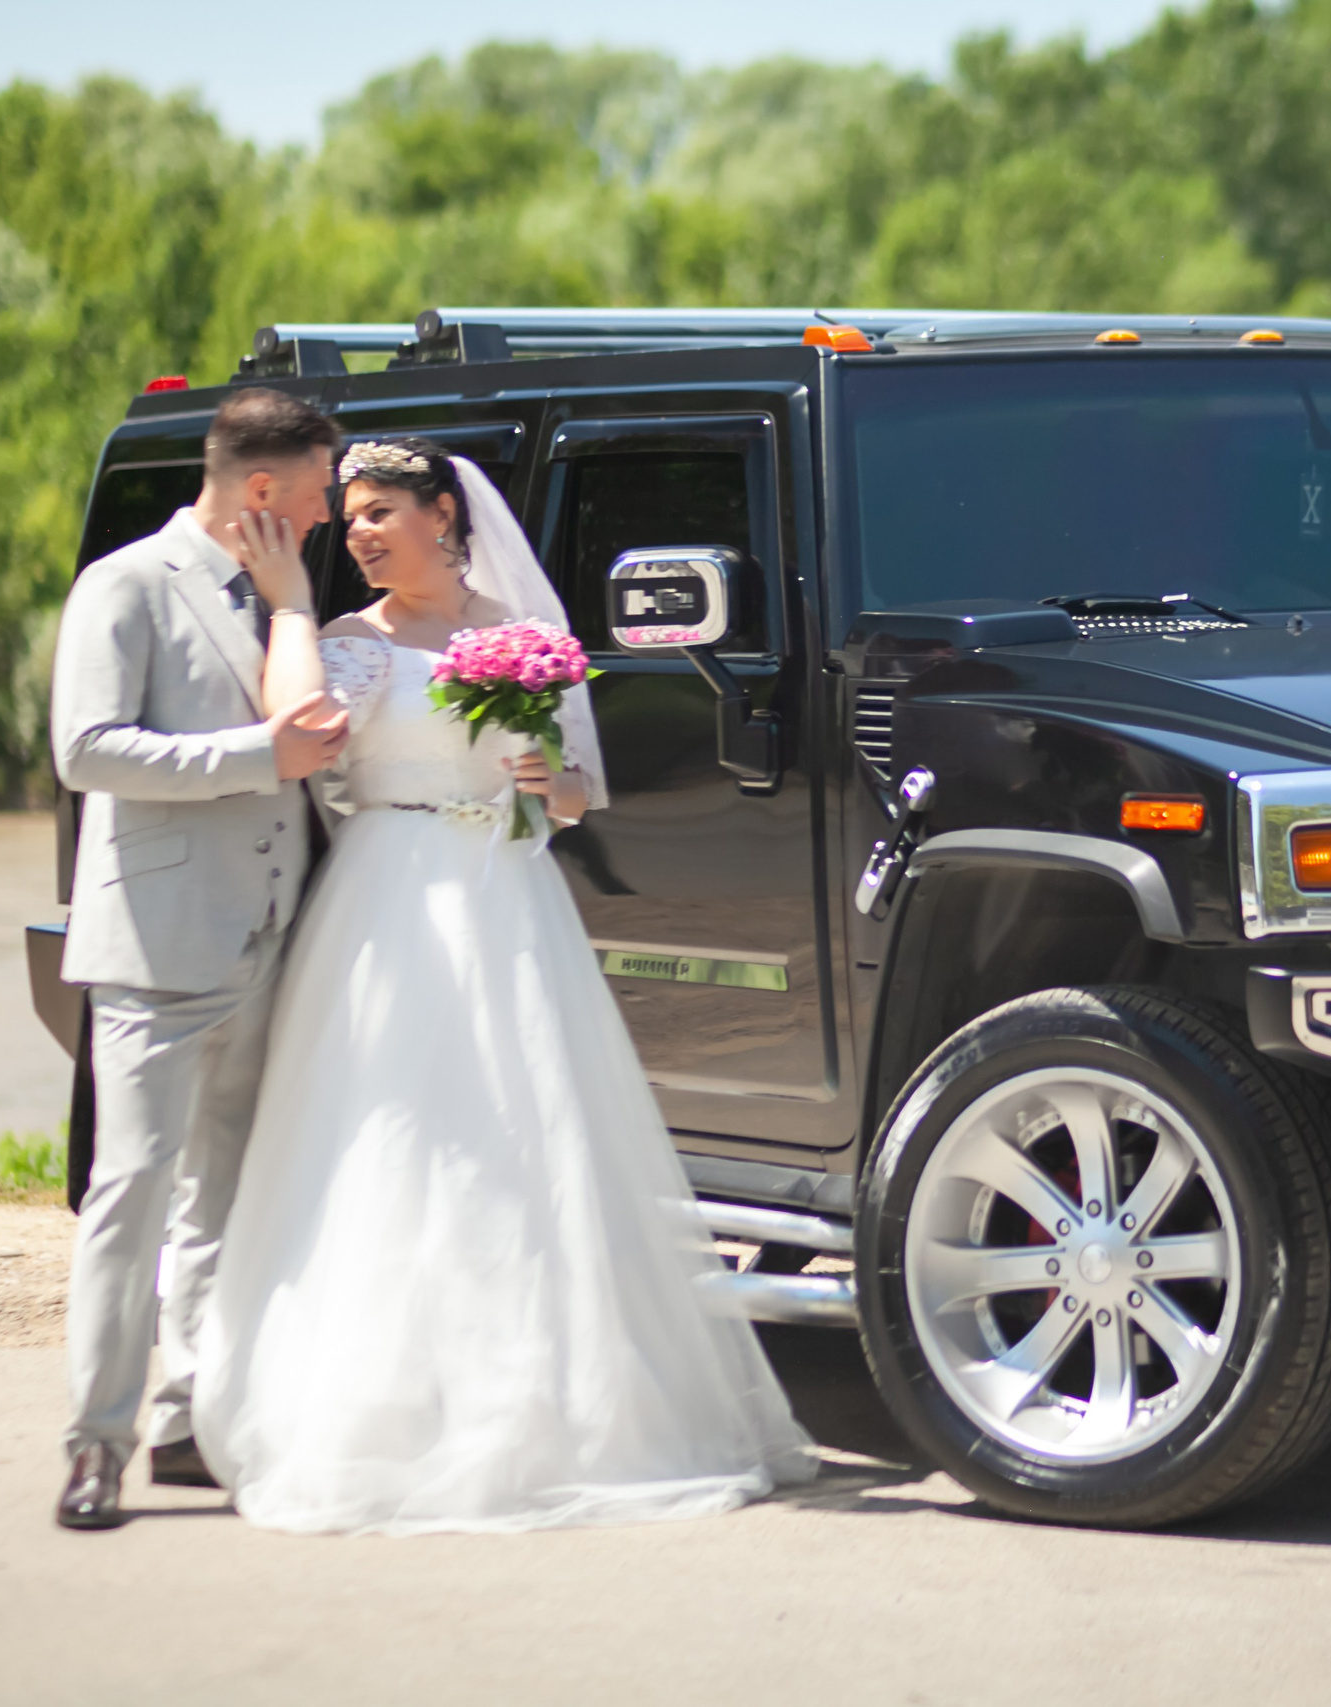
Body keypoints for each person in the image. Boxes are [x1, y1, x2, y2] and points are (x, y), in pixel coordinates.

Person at [191, 438, 813, 1535]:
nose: (359, 533)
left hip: (506, 893)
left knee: (525, 1133)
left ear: (443, 514)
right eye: (351, 514)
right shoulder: (352, 642)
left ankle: (547, 1402)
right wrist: (292, 610)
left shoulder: (522, 638)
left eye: (379, 512)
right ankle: (379, 1401)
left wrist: (544, 779)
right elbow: (308, 750)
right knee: (389, 1134)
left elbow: (572, 799)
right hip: (386, 894)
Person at [49, 388, 348, 1530]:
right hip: (156, 948)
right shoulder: (124, 583)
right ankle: (95, 1444)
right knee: (129, 1198)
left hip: (269, 940)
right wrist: (259, 756)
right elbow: (87, 751)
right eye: (317, 492)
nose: (326, 514)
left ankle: (187, 1422)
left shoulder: (286, 588)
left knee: (219, 1200)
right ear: (261, 487)